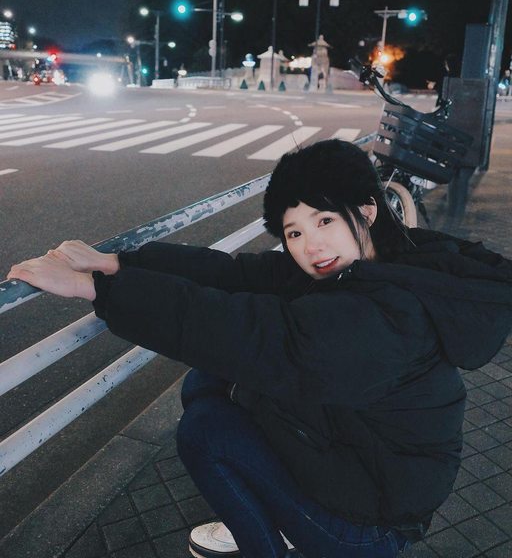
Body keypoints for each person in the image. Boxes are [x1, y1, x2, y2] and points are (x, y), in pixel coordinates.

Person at [8, 140, 512, 558]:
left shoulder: (387, 314)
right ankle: (278, 513)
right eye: (294, 232)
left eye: (324, 221)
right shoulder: (378, 260)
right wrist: (118, 263)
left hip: (374, 524)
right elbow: (236, 276)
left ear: (365, 211)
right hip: (367, 453)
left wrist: (94, 290)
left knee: (206, 432)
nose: (311, 246)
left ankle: (272, 541)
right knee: (208, 383)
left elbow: (237, 328)